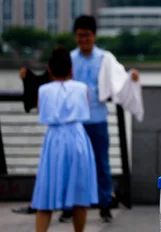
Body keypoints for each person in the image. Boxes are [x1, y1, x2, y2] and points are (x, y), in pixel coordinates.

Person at [16, 15, 142, 223]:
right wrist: (28, 78)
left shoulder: (105, 58)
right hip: (73, 123)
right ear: (75, 37)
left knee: (102, 164)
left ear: (94, 36)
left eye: (88, 35)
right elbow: (47, 81)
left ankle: (104, 205)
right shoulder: (69, 58)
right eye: (80, 36)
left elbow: (120, 80)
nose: (84, 39)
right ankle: (68, 207)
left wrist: (132, 78)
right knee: (70, 166)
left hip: (97, 119)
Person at [31, 47, 98, 232]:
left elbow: (40, 110)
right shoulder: (82, 88)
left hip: (54, 139)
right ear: (71, 69)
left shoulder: (43, 90)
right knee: (79, 194)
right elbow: (87, 107)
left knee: (45, 195)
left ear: (50, 70)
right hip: (77, 137)